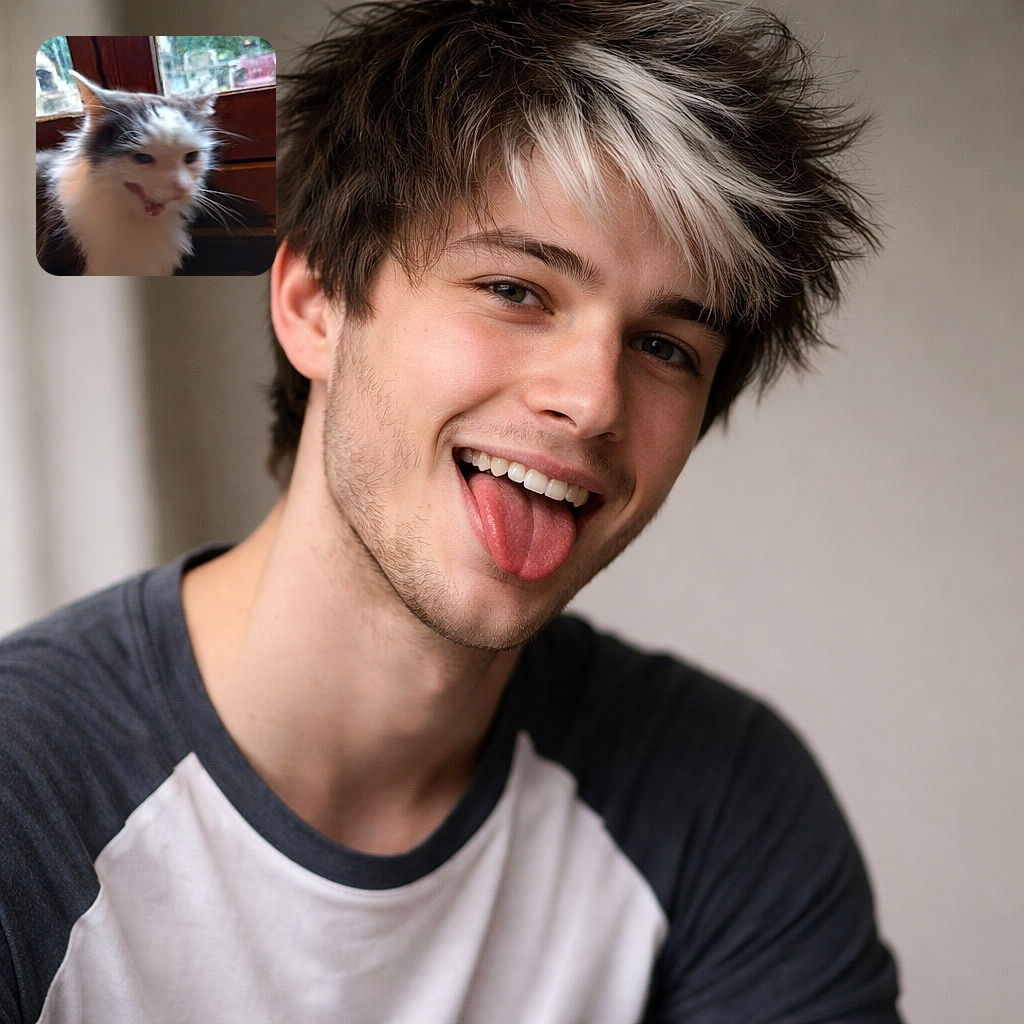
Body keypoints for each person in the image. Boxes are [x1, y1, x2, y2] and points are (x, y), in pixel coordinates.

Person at [1, 1, 902, 1021]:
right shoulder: (24, 794)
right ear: (313, 303)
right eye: (517, 289)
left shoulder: (723, 799)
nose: (594, 398)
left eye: (665, 348)